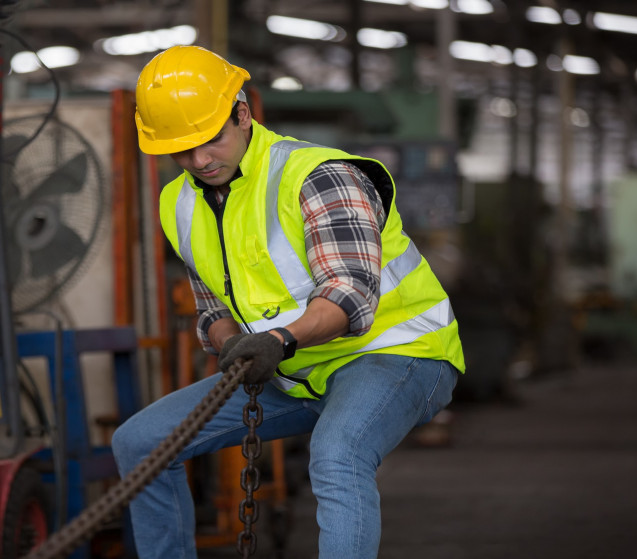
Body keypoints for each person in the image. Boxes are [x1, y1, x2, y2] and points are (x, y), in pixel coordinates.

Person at [111, 45, 465, 559]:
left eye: (209, 141)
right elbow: (213, 307)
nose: (199, 161)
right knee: (139, 443)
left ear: (242, 112)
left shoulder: (317, 175)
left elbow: (349, 295)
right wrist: (233, 344)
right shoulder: (180, 203)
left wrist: (277, 340)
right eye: (181, 151)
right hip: (294, 369)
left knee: (338, 454)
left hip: (398, 352)